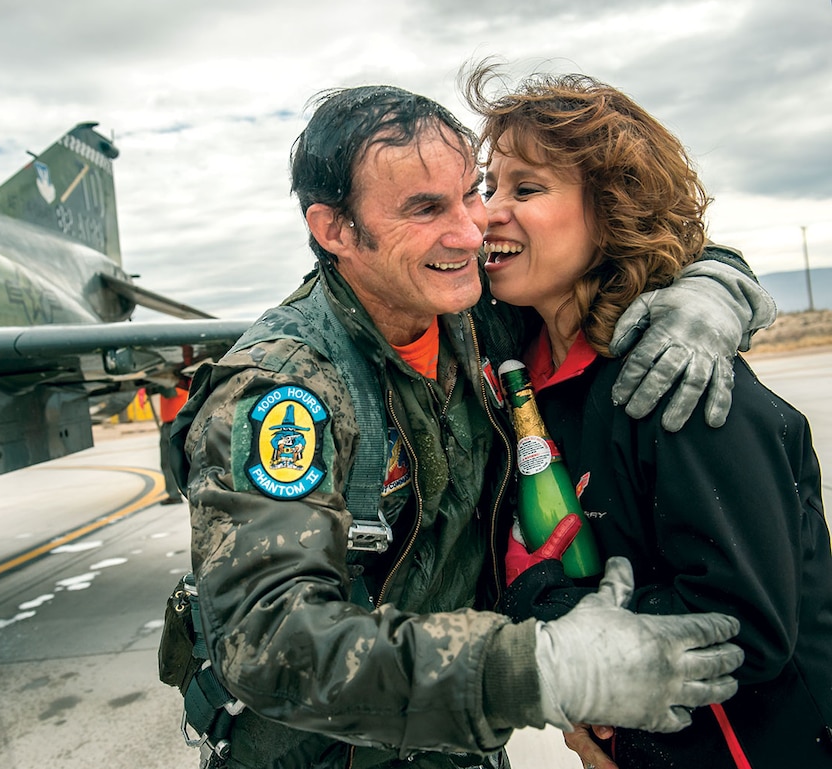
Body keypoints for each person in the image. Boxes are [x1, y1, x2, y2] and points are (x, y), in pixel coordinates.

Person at [160, 84, 771, 769]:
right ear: (335, 229)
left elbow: (613, 254)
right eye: (425, 209)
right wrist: (540, 669)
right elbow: (267, 641)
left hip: (455, 749)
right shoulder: (283, 390)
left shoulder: (471, 311)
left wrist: (713, 285)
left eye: (470, 193)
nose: (471, 231)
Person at [465, 64, 832, 768]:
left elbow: (743, 623)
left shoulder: (673, 375)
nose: (487, 213)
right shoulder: (524, 378)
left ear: (612, 209)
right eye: (489, 188)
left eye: (526, 188)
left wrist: (541, 610)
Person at [158, 379, 190, 504]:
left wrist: (157, 383)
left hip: (176, 425)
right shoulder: (166, 382)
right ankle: (173, 494)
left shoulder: (180, 383)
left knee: (183, 461)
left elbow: (169, 393)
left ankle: (192, 490)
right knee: (165, 463)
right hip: (166, 425)